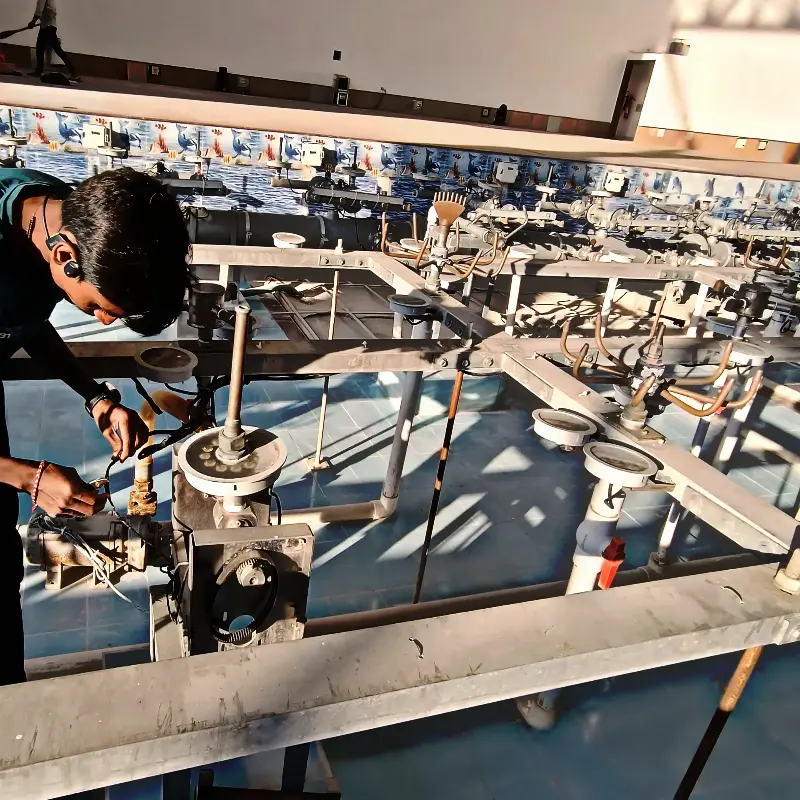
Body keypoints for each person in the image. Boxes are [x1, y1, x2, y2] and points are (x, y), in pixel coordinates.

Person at [0, 167, 192, 684]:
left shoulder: (67, 212)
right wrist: (26, 477)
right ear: (66, 256)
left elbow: (26, 317)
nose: (102, 322)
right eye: (100, 308)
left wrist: (96, 398)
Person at [28, 0, 78, 81]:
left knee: (57, 50)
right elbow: (50, 11)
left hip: (48, 26)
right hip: (46, 25)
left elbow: (39, 10)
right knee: (40, 48)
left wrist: (32, 22)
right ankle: (38, 71)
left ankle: (74, 71)